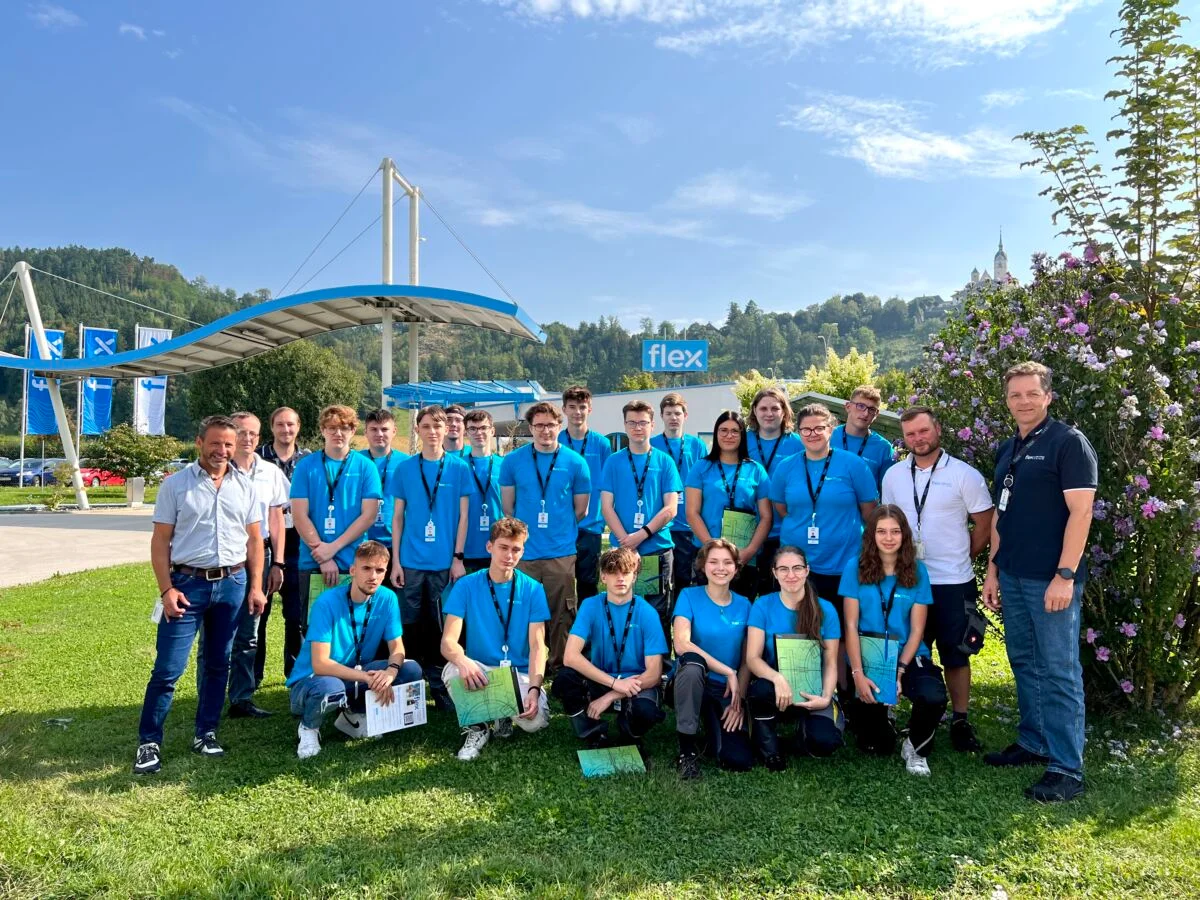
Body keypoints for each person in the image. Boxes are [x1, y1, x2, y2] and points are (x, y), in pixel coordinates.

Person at [982, 361, 1097, 803]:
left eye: (1032, 393)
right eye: (1015, 395)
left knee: (1059, 669)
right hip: (1012, 574)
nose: (1023, 401)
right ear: (1007, 400)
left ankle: (1067, 768)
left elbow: (1081, 513)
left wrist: (1064, 576)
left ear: (1047, 396)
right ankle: (1034, 742)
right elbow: (1000, 514)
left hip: (1051, 579)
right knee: (1024, 661)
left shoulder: (1069, 443)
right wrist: (993, 570)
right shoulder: (1009, 447)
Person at [133, 415, 266, 775]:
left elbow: (255, 540)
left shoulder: (246, 486)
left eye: (228, 444)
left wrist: (255, 586)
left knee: (217, 664)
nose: (222, 451)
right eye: (215, 443)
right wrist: (166, 589)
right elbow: (160, 542)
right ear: (199, 443)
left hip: (232, 585)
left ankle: (206, 732)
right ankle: (149, 742)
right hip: (186, 587)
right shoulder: (175, 485)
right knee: (167, 669)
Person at [881, 405, 993, 752]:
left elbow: (985, 524)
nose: (918, 439)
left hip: (952, 580)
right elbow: (887, 523)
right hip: (906, 579)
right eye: (911, 434)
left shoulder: (964, 474)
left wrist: (964, 555)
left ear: (938, 430)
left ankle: (960, 720)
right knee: (902, 647)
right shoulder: (894, 476)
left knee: (956, 652)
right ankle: (892, 714)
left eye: (923, 431)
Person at [287, 541, 423, 759]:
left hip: (354, 674)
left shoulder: (388, 598)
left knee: (411, 670)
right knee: (330, 687)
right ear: (352, 571)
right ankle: (309, 727)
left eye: (379, 570)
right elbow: (320, 664)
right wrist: (368, 678)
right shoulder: (326, 602)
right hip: (313, 680)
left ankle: (353, 715)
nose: (373, 576)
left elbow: (397, 647)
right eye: (366, 568)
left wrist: (390, 673)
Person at [842, 506, 948, 777]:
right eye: (881, 531)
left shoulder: (918, 571)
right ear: (871, 536)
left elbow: (917, 630)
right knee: (875, 745)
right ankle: (884, 728)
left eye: (895, 531)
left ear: (904, 535)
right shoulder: (855, 567)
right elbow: (851, 626)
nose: (888, 538)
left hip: (909, 655)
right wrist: (857, 674)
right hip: (869, 658)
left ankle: (915, 746)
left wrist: (899, 671)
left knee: (932, 695)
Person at [440, 518, 551, 761]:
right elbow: (448, 642)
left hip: (518, 674)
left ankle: (503, 714)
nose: (509, 555)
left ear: (523, 551)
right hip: (481, 671)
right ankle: (478, 727)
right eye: (503, 547)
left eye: (516, 549)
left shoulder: (533, 589)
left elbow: (537, 646)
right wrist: (463, 660)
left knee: (535, 722)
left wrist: (533, 688)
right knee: (452, 670)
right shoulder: (466, 585)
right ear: (489, 547)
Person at [288, 405, 383, 677]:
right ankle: (313, 684)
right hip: (314, 562)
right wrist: (324, 553)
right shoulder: (306, 466)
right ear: (322, 431)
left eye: (344, 428)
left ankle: (350, 685)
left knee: (352, 627)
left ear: (353, 431)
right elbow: (299, 514)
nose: (337, 433)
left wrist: (334, 548)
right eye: (331, 428)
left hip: (353, 564)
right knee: (314, 628)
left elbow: (367, 516)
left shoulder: (365, 467)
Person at [500, 401, 591, 672]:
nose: (545, 430)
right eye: (539, 425)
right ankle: (524, 662)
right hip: (524, 553)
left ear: (559, 426)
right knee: (521, 611)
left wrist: (558, 529)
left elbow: (581, 510)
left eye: (550, 425)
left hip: (560, 551)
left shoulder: (576, 462)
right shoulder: (513, 461)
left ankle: (560, 665)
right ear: (530, 428)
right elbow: (508, 508)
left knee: (562, 612)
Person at [390, 405, 471, 709]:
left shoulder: (459, 468)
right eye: (426, 426)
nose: (433, 432)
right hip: (410, 562)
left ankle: (440, 685)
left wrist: (458, 557)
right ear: (418, 430)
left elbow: (463, 517)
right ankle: (410, 687)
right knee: (410, 626)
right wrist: (396, 561)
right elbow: (397, 518)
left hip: (444, 564)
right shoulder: (405, 469)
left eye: (438, 426)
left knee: (441, 627)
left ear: (446, 429)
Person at [553, 547, 667, 758]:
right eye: (613, 572)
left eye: (626, 572)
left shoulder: (648, 613)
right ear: (603, 576)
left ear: (635, 576)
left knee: (646, 712)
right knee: (564, 681)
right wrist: (613, 683)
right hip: (602, 679)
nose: (620, 578)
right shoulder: (590, 605)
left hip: (636, 683)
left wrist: (614, 694)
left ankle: (630, 735)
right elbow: (570, 656)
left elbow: (653, 674)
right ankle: (594, 734)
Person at [213, 411, 289, 720]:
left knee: (250, 631)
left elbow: (277, 520)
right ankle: (212, 696)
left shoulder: (270, 472)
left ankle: (242, 698)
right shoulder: (218, 471)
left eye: (253, 434)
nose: (248, 439)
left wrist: (278, 563)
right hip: (227, 558)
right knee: (219, 632)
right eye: (242, 433)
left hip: (263, 555)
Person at [770, 402, 877, 613]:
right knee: (799, 628)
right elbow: (781, 508)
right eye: (806, 429)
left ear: (831, 429)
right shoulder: (786, 467)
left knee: (842, 631)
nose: (813, 434)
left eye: (819, 428)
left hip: (843, 564)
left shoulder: (854, 465)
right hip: (796, 567)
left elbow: (870, 513)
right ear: (799, 432)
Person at [745, 546, 844, 770]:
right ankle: (770, 750)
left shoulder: (825, 609)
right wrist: (777, 679)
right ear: (774, 572)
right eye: (784, 569)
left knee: (825, 743)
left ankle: (799, 735)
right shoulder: (763, 605)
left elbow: (830, 661)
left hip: (812, 689)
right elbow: (752, 658)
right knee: (760, 690)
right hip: (775, 688)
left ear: (807, 571)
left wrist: (826, 697)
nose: (791, 575)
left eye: (797, 568)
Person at [670, 539, 753, 779]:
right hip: (692, 682)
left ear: (736, 569)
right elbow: (682, 644)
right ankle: (686, 751)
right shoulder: (688, 595)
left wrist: (739, 700)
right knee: (694, 665)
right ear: (703, 566)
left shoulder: (745, 604)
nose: (720, 568)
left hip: (727, 690)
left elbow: (748, 659)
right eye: (713, 561)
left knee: (737, 760)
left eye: (727, 562)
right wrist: (728, 671)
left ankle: (710, 728)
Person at [600, 400, 683, 638]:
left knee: (659, 613)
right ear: (625, 425)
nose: (638, 427)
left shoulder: (664, 461)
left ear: (652, 425)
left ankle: (660, 669)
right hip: (622, 551)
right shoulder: (614, 461)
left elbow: (671, 508)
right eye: (632, 422)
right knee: (621, 608)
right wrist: (626, 541)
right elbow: (607, 507)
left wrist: (641, 535)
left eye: (643, 422)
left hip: (657, 549)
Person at [684, 410, 772, 598]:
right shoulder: (701, 467)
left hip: (743, 557)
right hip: (707, 555)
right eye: (723, 430)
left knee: (741, 612)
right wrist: (712, 548)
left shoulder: (756, 470)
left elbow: (766, 517)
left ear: (743, 435)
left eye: (735, 431)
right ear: (716, 434)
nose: (729, 435)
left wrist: (750, 551)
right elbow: (692, 513)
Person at [257, 406, 310, 681]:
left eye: (290, 424)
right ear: (272, 427)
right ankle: (252, 677)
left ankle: (295, 675)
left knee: (296, 618)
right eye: (280, 424)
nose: (285, 430)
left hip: (299, 547)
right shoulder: (257, 459)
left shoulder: (310, 460)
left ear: (298, 427)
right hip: (264, 548)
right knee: (259, 616)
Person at [746, 387, 804, 596]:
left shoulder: (798, 443)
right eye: (763, 408)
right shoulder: (743, 441)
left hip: (783, 532)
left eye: (774, 408)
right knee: (747, 594)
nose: (768, 414)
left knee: (779, 594)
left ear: (784, 412)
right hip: (748, 531)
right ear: (754, 411)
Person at [650, 392, 707, 599]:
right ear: (661, 417)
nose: (673, 418)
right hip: (662, 525)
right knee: (661, 582)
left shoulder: (697, 445)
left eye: (677, 413)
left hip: (688, 524)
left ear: (685, 415)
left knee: (686, 580)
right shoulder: (652, 444)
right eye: (668, 413)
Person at [561, 385, 612, 603]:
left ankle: (587, 633)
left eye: (582, 407)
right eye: (572, 407)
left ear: (589, 409)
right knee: (561, 582)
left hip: (591, 525)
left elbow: (608, 484)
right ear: (564, 409)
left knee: (588, 583)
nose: (577, 412)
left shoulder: (601, 443)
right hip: (561, 526)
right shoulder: (557, 442)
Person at [461, 409, 503, 574]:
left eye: (483, 428)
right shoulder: (457, 466)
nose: (479, 432)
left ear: (492, 431)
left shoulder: (505, 465)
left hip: (497, 546)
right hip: (466, 548)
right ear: (466, 433)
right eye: (473, 428)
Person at [831, 385, 897, 489]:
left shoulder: (884, 448)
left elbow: (887, 490)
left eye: (871, 409)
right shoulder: (827, 437)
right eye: (860, 406)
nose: (865, 413)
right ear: (848, 407)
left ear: (876, 414)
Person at [361, 408, 401, 553]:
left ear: (394, 431)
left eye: (384, 429)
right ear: (365, 432)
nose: (379, 434)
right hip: (361, 540)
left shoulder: (406, 463)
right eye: (373, 429)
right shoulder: (355, 461)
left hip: (396, 542)